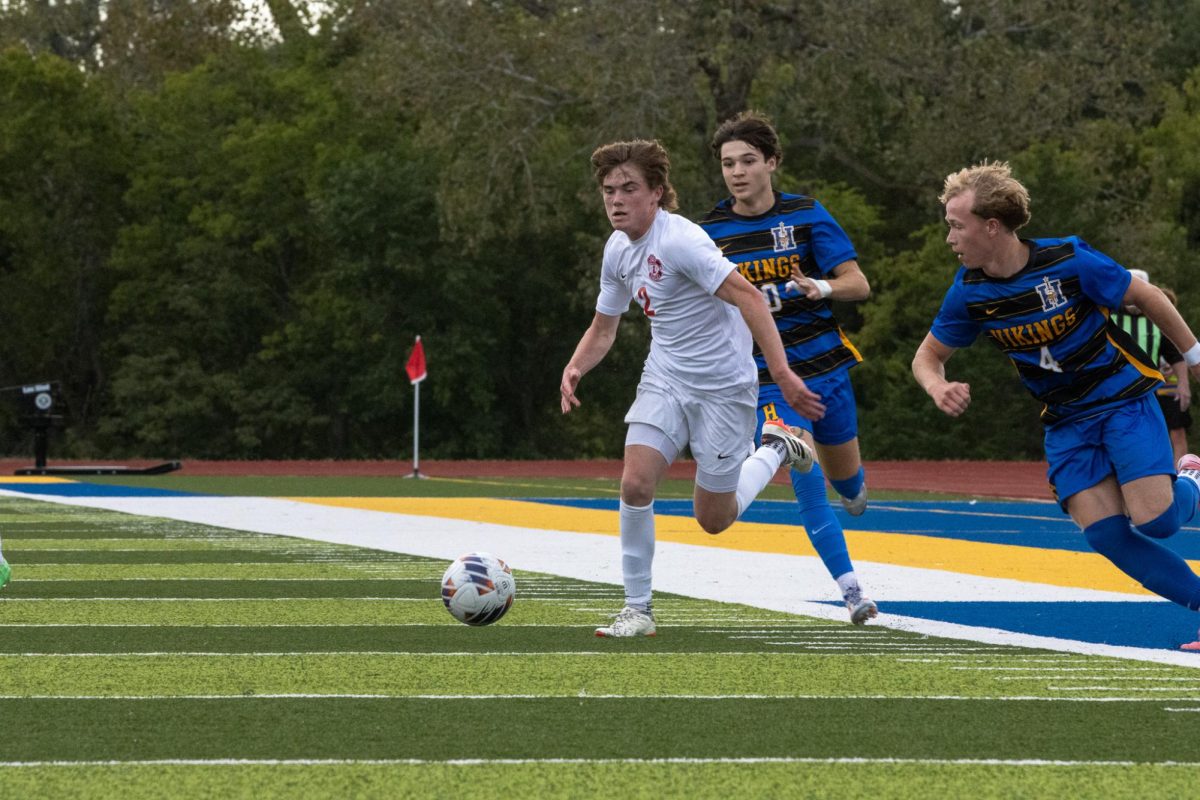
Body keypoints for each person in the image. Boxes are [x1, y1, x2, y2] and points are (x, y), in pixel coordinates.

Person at [912, 161, 1200, 651]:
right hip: (1066, 423)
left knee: (1157, 520)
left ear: (992, 226)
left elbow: (1147, 296)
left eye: (956, 226)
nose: (950, 238)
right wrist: (937, 387)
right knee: (1107, 535)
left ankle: (1190, 477)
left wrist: (1193, 355)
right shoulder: (969, 293)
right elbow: (927, 357)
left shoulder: (1068, 260)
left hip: (1122, 401)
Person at [561, 138, 824, 638]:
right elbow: (603, 327)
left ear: (656, 192)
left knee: (714, 519)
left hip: (725, 388)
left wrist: (784, 374)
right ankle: (637, 610)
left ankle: (775, 447)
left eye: (629, 189)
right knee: (635, 483)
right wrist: (576, 367)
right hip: (665, 376)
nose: (616, 199)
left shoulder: (682, 241)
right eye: (609, 190)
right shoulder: (617, 249)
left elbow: (749, 298)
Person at [699, 111, 877, 624]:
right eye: (729, 163)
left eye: (748, 161)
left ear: (771, 162)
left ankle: (854, 488)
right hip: (763, 376)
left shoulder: (805, 215)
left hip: (825, 366)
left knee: (851, 489)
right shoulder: (710, 231)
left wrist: (821, 286)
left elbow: (858, 283)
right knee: (800, 469)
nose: (737, 172)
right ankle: (853, 593)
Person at [1110, 272, 1192, 463]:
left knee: (1164, 434)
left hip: (1151, 389)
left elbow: (1175, 354)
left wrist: (1184, 383)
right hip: (1115, 390)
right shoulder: (1110, 316)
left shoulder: (1156, 318)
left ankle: (1178, 477)